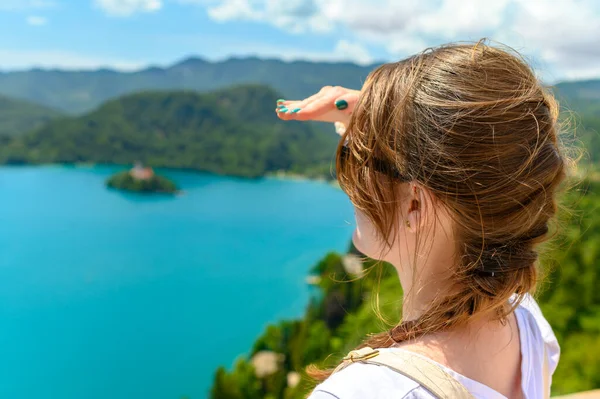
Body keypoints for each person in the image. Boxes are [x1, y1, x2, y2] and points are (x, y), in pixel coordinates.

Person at [276, 42, 564, 399]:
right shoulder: (527, 325)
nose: (351, 184)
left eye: (357, 157)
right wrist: (391, 125)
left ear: (415, 204)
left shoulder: (363, 392)